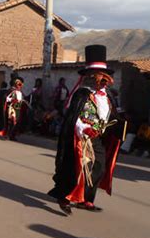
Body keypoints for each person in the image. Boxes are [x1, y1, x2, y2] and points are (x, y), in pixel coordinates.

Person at [48, 45, 125, 215]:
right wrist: (84, 128)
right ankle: (65, 198)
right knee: (76, 169)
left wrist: (119, 123)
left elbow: (111, 115)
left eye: (104, 75)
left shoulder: (108, 95)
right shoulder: (81, 94)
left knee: (99, 167)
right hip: (79, 138)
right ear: (90, 77)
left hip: (98, 137)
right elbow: (72, 118)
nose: (102, 79)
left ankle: (86, 199)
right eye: (98, 75)